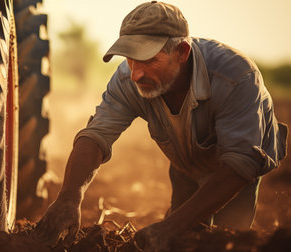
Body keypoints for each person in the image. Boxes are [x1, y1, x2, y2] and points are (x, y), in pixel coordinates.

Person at [34, 1, 288, 251]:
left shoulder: (236, 77)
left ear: (182, 52)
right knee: (179, 238)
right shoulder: (127, 79)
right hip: (184, 162)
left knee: (228, 238)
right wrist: (69, 197)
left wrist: (170, 226)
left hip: (234, 170)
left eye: (149, 60)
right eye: (131, 59)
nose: (136, 74)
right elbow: (96, 135)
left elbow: (240, 162)